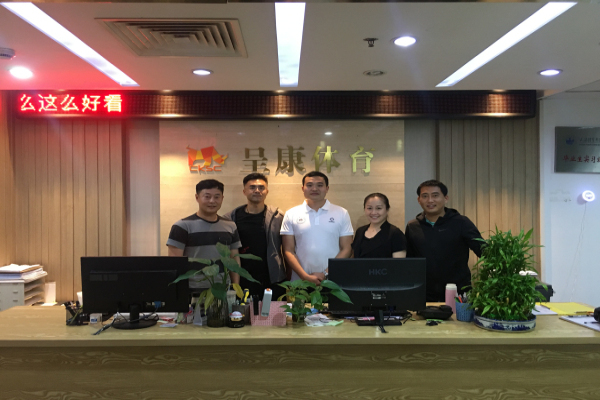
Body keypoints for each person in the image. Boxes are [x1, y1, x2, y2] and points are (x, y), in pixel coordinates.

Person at [405, 179, 483, 302]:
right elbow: (409, 261)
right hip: (423, 294)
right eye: (425, 196)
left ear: (446, 198)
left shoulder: (461, 222)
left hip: (458, 293)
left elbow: (483, 250)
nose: (430, 200)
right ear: (419, 200)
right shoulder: (413, 226)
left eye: (435, 195)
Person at [280, 171, 354, 285]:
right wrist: (304, 276)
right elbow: (288, 250)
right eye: (309, 185)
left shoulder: (341, 213)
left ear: (327, 188)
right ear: (303, 188)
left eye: (320, 185)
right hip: (300, 281)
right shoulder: (291, 214)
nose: (314, 189)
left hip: (333, 281)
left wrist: (325, 273)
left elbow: (347, 249)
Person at [166, 179, 241, 291]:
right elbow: (174, 265)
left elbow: (234, 259)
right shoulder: (182, 226)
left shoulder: (230, 225)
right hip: (192, 291)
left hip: (222, 290)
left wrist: (235, 288)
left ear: (222, 198)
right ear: (197, 197)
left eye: (217, 197)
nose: (212, 201)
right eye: (207, 196)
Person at [224, 173, 287, 300]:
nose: (257, 190)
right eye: (252, 187)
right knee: (243, 312)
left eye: (261, 187)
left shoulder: (278, 217)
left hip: (272, 279)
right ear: (244, 191)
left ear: (267, 191)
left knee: (274, 312)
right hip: (242, 278)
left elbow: (287, 249)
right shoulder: (231, 218)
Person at [352, 193, 406, 258]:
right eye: (369, 208)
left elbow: (399, 263)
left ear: (387, 209)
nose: (373, 212)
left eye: (379, 208)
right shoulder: (360, 231)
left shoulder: (395, 233)